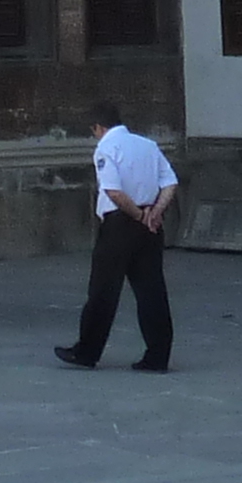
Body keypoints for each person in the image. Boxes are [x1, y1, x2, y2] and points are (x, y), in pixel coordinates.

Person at [58, 108, 178, 373]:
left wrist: (137, 215)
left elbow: (112, 191)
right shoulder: (148, 145)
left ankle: (88, 350)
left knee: (103, 290)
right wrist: (155, 213)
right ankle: (158, 355)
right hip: (150, 222)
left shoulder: (106, 148)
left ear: (97, 127)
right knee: (151, 290)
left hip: (121, 223)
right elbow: (170, 182)